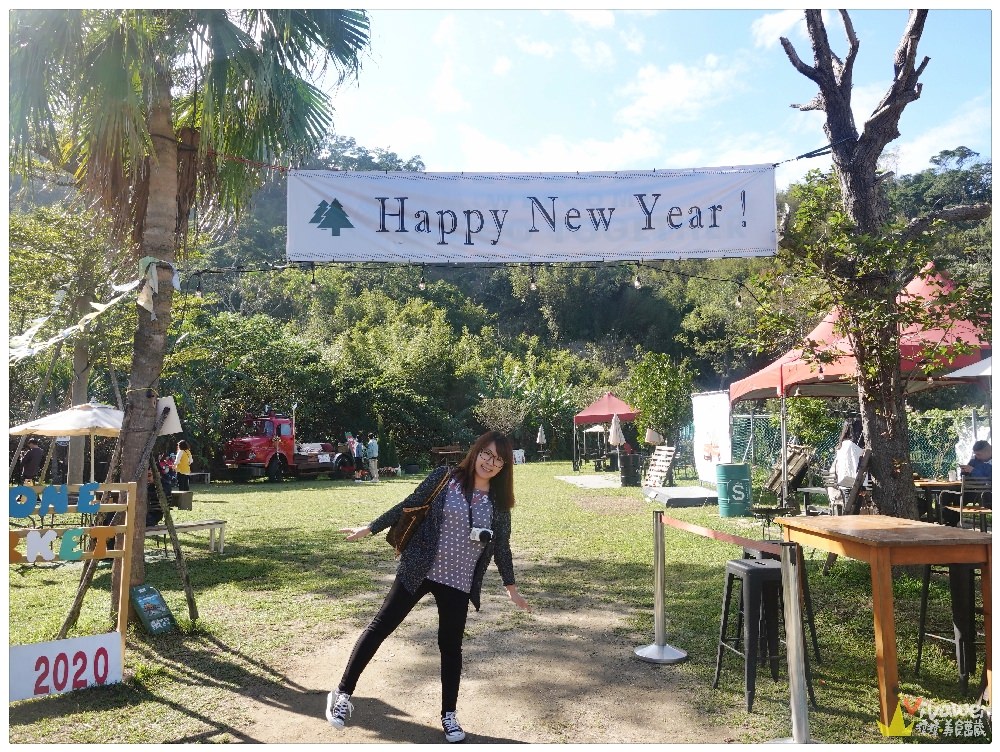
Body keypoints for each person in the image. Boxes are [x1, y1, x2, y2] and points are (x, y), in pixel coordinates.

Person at [329, 431, 531, 743]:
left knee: (450, 648)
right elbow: (408, 505)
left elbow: (501, 548)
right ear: (476, 452)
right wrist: (370, 528)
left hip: (458, 581)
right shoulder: (444, 478)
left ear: (504, 467)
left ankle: (449, 714)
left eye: (498, 460)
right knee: (381, 626)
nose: (490, 462)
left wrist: (511, 587)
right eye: (486, 454)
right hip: (420, 568)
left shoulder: (498, 505)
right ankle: (343, 693)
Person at [827, 421, 864, 509]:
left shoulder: (843, 445)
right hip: (851, 484)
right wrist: (861, 487)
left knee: (849, 511)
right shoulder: (851, 446)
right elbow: (854, 467)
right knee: (852, 513)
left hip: (844, 483)